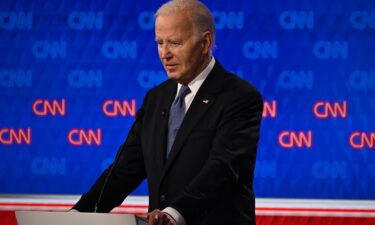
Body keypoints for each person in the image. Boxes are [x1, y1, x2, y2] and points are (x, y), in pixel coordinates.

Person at [72, 1, 263, 225]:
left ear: (205, 42)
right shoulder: (156, 98)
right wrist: (80, 213)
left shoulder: (238, 96)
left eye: (174, 42)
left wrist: (174, 213)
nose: (165, 53)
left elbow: (222, 168)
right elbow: (126, 169)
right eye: (160, 43)